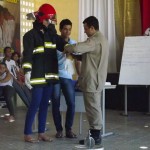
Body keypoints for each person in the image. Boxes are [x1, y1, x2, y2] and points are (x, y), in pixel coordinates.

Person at [22, 3, 65, 143]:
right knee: (35, 104)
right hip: (38, 76)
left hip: (50, 76)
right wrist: (27, 71)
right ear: (41, 19)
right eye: (47, 19)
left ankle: (41, 132)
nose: (49, 22)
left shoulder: (52, 34)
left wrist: (73, 47)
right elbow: (27, 54)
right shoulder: (30, 36)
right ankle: (28, 133)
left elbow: (63, 45)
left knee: (45, 105)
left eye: (51, 20)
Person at [64, 16, 109, 145]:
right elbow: (90, 57)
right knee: (94, 107)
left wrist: (67, 47)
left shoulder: (94, 40)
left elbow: (77, 47)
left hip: (92, 80)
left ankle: (95, 136)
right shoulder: (103, 40)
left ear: (92, 28)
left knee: (93, 108)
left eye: (85, 28)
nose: (84, 31)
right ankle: (94, 135)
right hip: (96, 79)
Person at [51, 19, 77, 138]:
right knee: (55, 103)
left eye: (69, 29)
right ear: (60, 29)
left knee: (71, 103)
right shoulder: (55, 42)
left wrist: (79, 75)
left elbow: (77, 60)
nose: (67, 31)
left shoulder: (73, 43)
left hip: (67, 76)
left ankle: (69, 129)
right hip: (55, 76)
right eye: (65, 29)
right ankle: (59, 130)